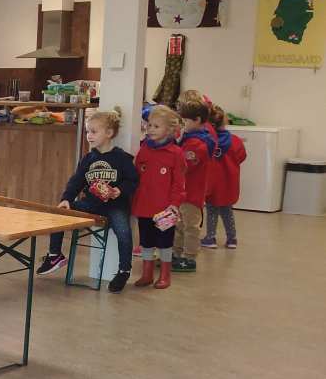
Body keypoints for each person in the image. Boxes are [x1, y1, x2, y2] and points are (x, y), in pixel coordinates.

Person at [36, 109, 138, 293]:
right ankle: (55, 255)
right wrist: (66, 199)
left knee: (124, 232)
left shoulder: (122, 158)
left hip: (115, 206)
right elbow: (76, 181)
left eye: (94, 131)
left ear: (109, 133)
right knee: (59, 212)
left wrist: (120, 190)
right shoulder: (88, 159)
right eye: (87, 131)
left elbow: (133, 180)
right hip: (90, 205)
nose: (89, 135)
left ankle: (124, 270)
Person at [132, 105, 186, 289]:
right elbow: (137, 174)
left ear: (169, 129)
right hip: (144, 206)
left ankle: (165, 275)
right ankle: (146, 274)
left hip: (165, 209)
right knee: (146, 242)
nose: (151, 129)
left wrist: (174, 204)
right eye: (149, 125)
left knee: (165, 243)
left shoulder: (176, 153)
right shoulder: (144, 149)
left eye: (156, 126)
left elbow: (179, 184)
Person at [173, 100, 214, 272]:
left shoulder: (199, 144)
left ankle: (189, 258)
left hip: (192, 194)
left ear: (197, 120)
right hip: (182, 192)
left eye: (185, 121)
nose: (183, 124)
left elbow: (186, 165)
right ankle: (176, 254)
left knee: (190, 227)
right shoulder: (187, 139)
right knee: (178, 225)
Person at [202, 104, 247, 249]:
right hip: (229, 183)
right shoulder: (235, 141)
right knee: (227, 211)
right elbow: (242, 156)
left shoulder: (207, 141)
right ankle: (232, 239)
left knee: (211, 211)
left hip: (212, 184)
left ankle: (210, 238)